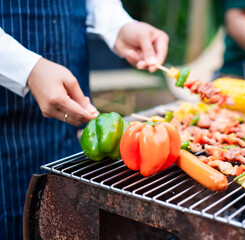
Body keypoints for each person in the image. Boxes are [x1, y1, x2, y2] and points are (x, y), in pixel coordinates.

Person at [0, 0, 169, 239]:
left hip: (69, 118)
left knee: (67, 212)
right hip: (4, 126)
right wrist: (26, 69)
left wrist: (119, 25)